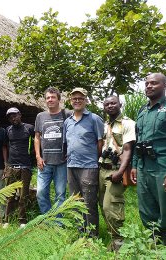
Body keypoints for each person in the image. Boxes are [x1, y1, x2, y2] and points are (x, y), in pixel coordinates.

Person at [130, 73, 166, 244]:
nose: (149, 86)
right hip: (143, 168)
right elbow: (138, 140)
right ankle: (155, 248)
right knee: (147, 212)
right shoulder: (142, 111)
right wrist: (134, 165)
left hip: (165, 169)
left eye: (154, 83)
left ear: (165, 86)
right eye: (147, 83)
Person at [63, 87, 104, 237]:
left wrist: (95, 159)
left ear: (86, 100)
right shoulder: (67, 122)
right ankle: (81, 233)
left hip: (89, 166)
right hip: (71, 166)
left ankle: (93, 236)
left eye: (80, 98)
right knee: (76, 202)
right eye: (74, 98)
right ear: (70, 101)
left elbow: (100, 142)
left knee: (89, 202)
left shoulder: (94, 119)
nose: (77, 101)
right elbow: (67, 143)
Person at [99, 95, 135, 251]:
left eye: (113, 103)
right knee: (102, 205)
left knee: (110, 206)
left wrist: (120, 173)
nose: (110, 106)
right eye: (107, 104)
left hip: (116, 171)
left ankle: (118, 242)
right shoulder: (104, 125)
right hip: (102, 169)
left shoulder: (128, 123)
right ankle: (112, 239)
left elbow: (128, 150)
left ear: (120, 104)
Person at [34, 87, 71, 214]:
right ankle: (47, 218)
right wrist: (38, 156)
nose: (50, 100)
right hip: (45, 162)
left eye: (53, 97)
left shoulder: (67, 114)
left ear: (59, 99)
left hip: (62, 162)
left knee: (60, 194)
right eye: (48, 97)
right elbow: (37, 137)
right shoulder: (40, 116)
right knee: (40, 192)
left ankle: (58, 223)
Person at [4, 107, 35, 227]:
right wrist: (6, 164)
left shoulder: (29, 128)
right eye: (10, 116)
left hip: (25, 166)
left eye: (15, 115)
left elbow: (37, 141)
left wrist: (32, 155)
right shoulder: (8, 130)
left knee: (23, 195)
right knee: (10, 195)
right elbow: (6, 146)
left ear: (20, 115)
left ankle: (22, 220)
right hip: (12, 166)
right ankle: (7, 219)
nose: (13, 118)